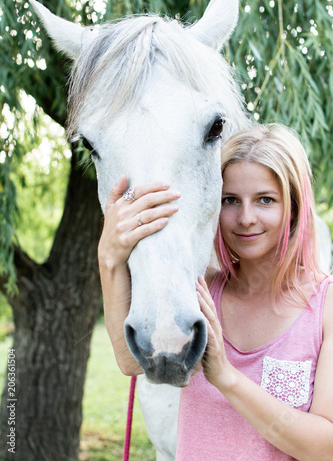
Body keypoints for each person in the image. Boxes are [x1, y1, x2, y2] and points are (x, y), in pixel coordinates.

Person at [98, 124, 333, 460]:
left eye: (265, 200)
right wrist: (109, 254)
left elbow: (326, 447)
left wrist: (225, 376)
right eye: (230, 201)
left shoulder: (326, 305)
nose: (246, 218)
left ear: (293, 207)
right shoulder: (199, 290)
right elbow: (128, 360)